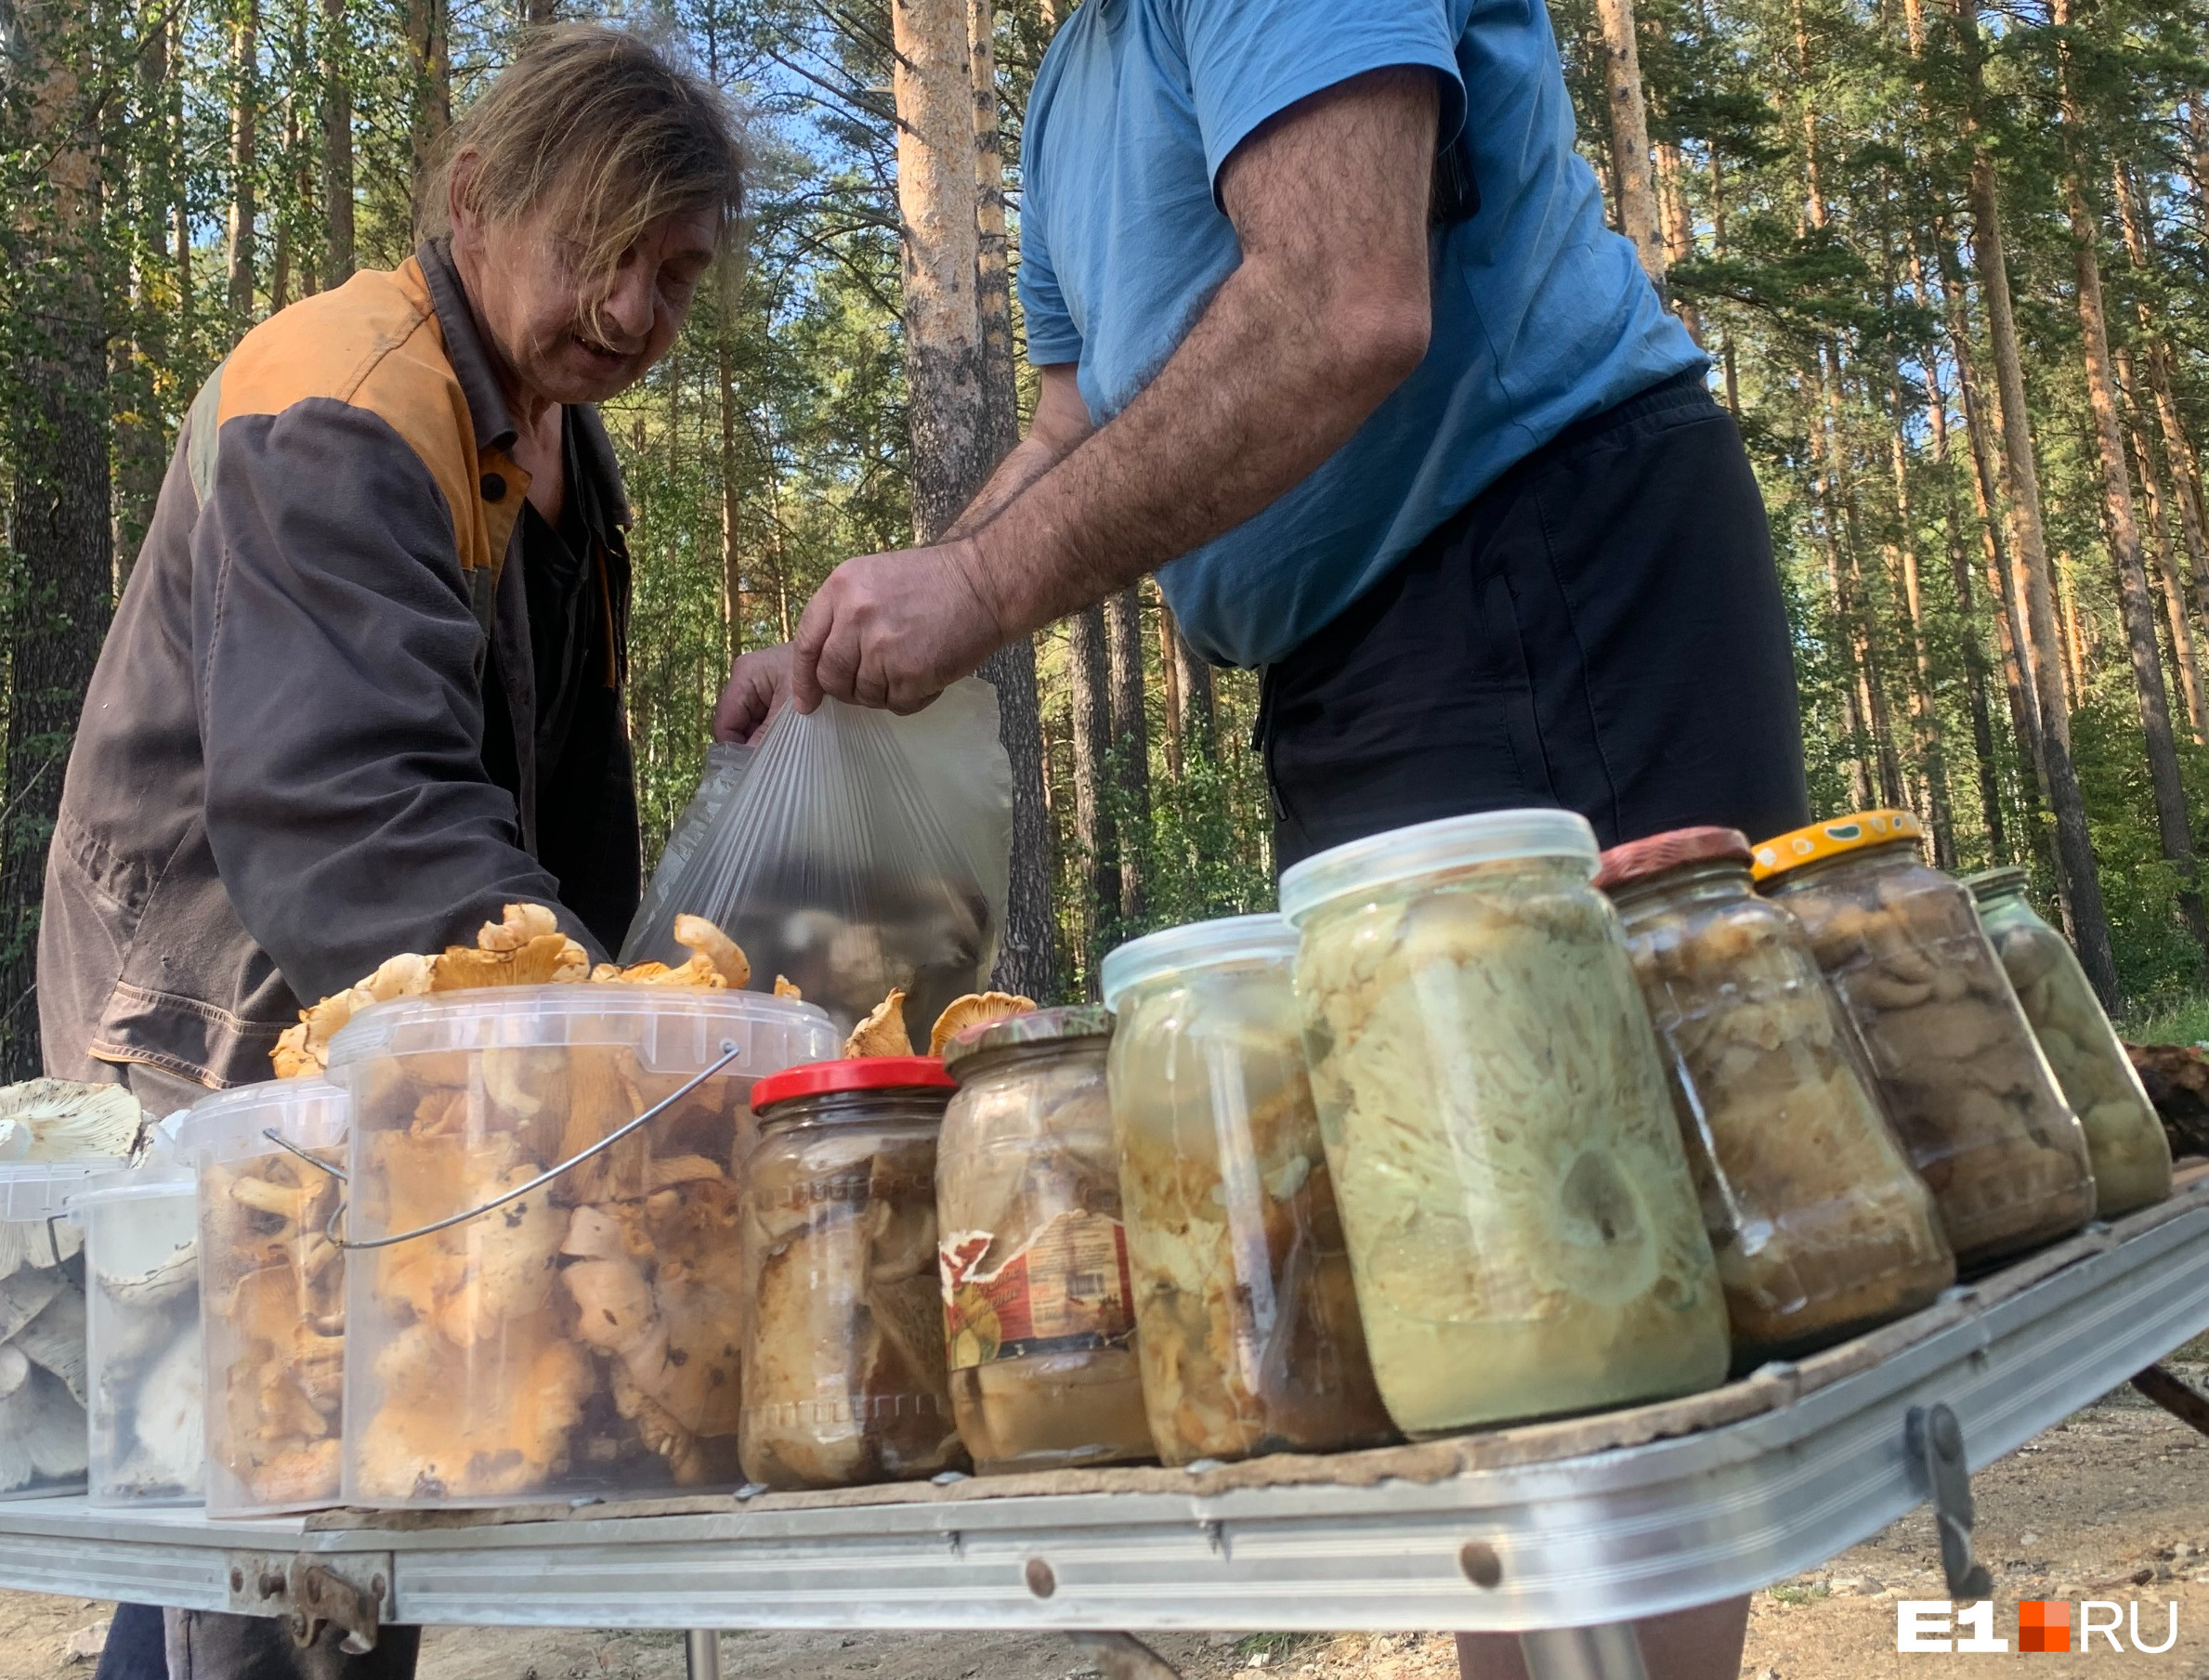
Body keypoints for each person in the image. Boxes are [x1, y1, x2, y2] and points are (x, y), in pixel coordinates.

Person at [712, 2, 1802, 1675]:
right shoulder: (1071, 80)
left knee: (1597, 1267)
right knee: (1456, 1268)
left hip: (1542, 560)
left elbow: (1342, 299)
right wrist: (887, 619)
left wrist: (987, 586)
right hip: (1348, 656)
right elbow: (1083, 421)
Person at [42, 27, 742, 1679]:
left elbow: (556, 800)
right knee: (287, 1530)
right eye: (605, 248)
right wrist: (593, 1051)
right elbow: (345, 801)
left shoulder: (557, 446)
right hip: (212, 1018)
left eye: (677, 273)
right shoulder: (341, 395)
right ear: (479, 196)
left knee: (343, 1510)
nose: (639, 312)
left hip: (371, 1019)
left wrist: (614, 1001)